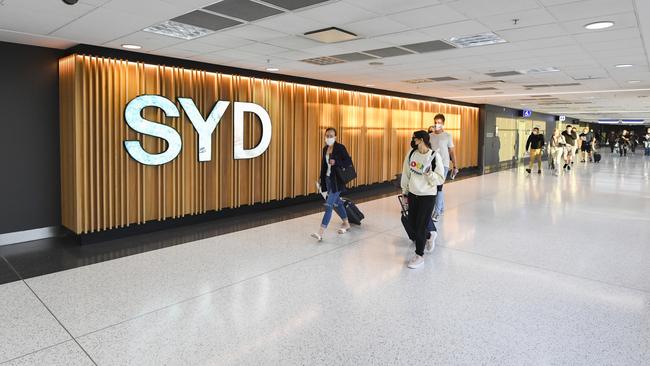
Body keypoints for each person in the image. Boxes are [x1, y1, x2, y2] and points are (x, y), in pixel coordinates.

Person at [400, 130, 445, 269]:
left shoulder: (434, 156)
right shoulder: (412, 154)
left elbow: (441, 178)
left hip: (428, 196)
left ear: (421, 140)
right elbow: (406, 173)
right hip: (413, 194)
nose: (413, 141)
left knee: (420, 226)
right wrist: (404, 191)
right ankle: (429, 236)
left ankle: (419, 255)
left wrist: (430, 175)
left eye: (415, 138)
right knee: (413, 224)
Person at [311, 127, 352, 241]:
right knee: (337, 203)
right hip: (328, 180)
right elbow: (324, 166)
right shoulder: (325, 149)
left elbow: (348, 162)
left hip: (337, 181)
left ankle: (320, 232)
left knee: (329, 205)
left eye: (331, 135)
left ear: (335, 137)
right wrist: (321, 178)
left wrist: (336, 162)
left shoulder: (340, 148)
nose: (329, 137)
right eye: (327, 135)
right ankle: (346, 223)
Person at [428, 114, 457, 222]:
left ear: (443, 123)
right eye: (435, 122)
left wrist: (455, 166)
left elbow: (452, 152)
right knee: (435, 187)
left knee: (439, 187)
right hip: (432, 164)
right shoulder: (430, 136)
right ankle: (441, 208)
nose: (437, 124)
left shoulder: (447, 136)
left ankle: (437, 212)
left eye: (439, 122)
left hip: (443, 164)